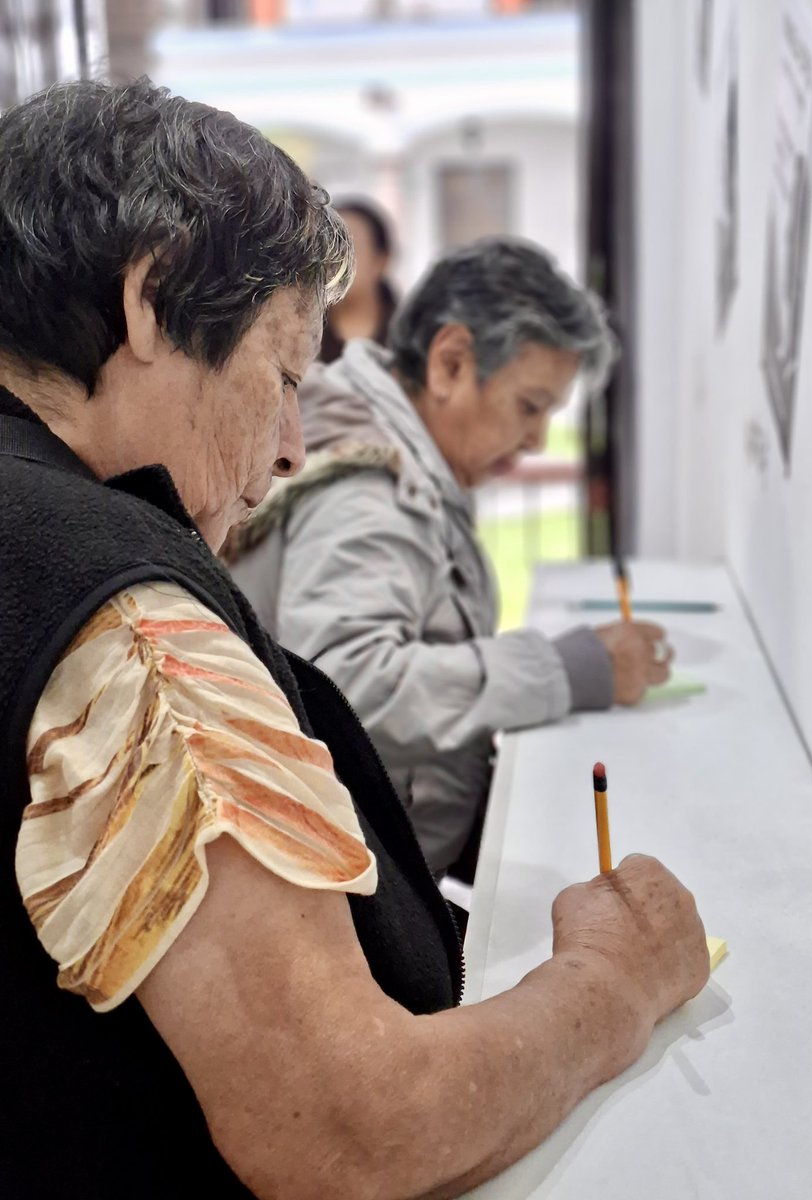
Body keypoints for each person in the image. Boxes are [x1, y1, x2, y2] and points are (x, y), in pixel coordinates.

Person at [0, 79, 708, 1200]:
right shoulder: (126, 625)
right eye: (281, 376)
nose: (290, 447)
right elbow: (353, 1127)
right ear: (153, 297)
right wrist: (612, 983)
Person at [227, 238, 674, 878]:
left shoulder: (387, 448)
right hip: (356, 892)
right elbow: (349, 684)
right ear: (451, 363)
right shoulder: (371, 489)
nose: (537, 439)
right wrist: (565, 671)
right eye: (530, 405)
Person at [319, 196, 397, 364]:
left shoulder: (409, 339)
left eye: (348, 247)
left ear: (381, 261)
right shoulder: (303, 335)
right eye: (329, 246)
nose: (335, 259)